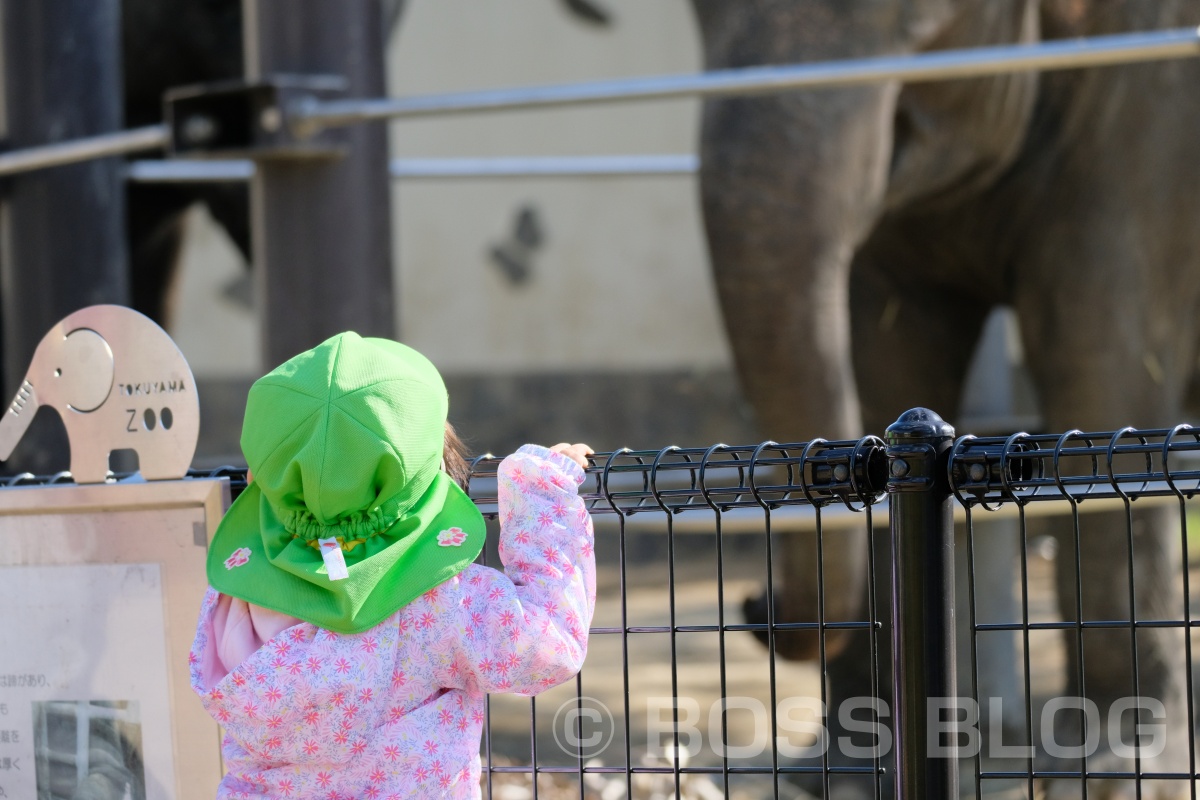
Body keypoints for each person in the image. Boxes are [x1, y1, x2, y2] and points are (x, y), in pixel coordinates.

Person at [188, 332, 596, 799]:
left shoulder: (235, 599)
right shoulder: (438, 603)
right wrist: (540, 491)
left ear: (261, 474)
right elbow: (546, 647)